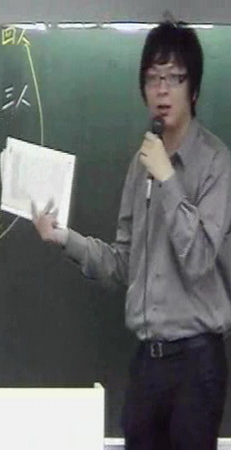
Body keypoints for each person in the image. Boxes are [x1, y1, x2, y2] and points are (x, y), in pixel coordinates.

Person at [32, 21, 231, 450]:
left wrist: (168, 178)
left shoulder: (216, 164)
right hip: (147, 361)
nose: (162, 90)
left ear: (194, 90)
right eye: (153, 78)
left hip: (196, 362)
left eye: (174, 78)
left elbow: (199, 258)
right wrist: (64, 238)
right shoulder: (141, 165)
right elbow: (124, 263)